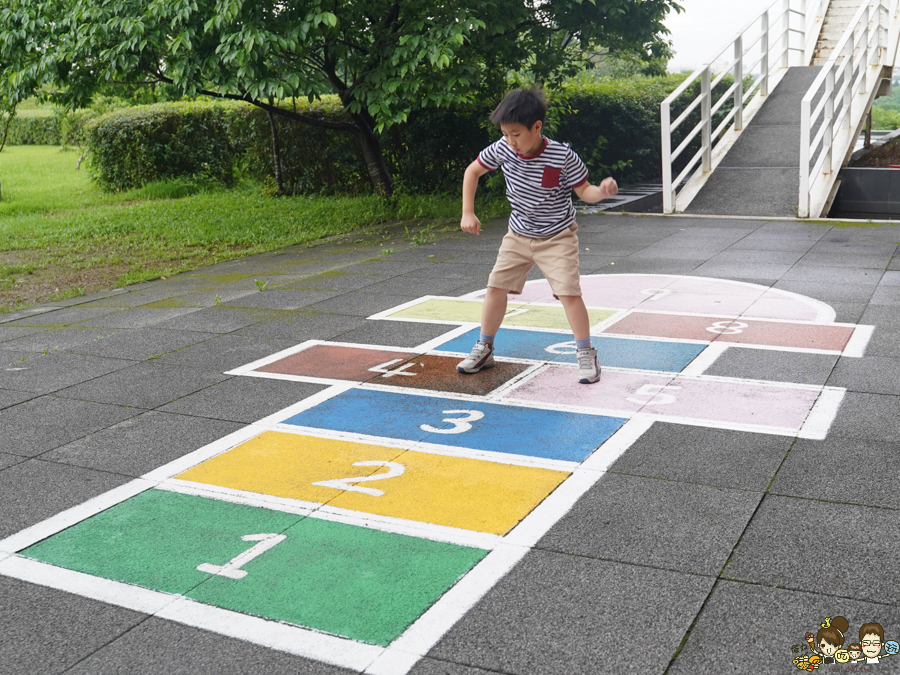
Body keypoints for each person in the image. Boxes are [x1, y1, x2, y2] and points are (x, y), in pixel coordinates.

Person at [457, 87, 618, 384]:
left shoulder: (561, 155)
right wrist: (468, 211)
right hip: (518, 234)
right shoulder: (503, 149)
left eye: (516, 134)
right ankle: (485, 348)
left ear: (537, 127)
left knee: (569, 293)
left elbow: (585, 191)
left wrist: (602, 192)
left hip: (557, 236)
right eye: (505, 133)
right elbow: (472, 171)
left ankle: (586, 353)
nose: (510, 141)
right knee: (495, 286)